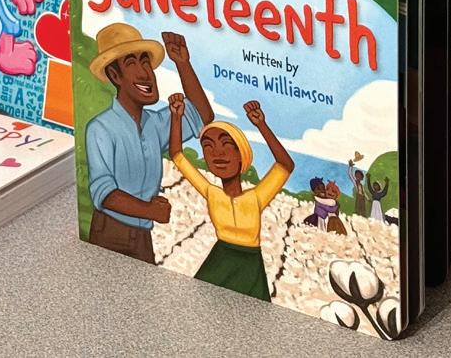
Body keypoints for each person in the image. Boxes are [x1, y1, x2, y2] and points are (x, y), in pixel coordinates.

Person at [83, 25, 211, 263]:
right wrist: (149, 210)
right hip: (110, 233)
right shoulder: (100, 128)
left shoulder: (155, 124)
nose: (145, 74)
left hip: (143, 237)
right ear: (114, 76)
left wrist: (182, 63)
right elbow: (104, 192)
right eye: (132, 64)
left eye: (145, 62)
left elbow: (202, 114)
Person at [168, 95, 294, 300]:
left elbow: (285, 165)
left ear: (241, 154)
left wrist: (261, 125)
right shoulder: (212, 193)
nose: (217, 153)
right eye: (208, 146)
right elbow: (177, 155)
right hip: (219, 262)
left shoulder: (256, 197)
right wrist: (176, 117)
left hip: (250, 267)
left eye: (226, 144)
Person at [347, 152, 369, 218]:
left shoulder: (361, 185)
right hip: (358, 196)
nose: (358, 177)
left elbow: (364, 192)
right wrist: (350, 167)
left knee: (363, 208)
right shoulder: (355, 182)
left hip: (362, 197)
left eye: (359, 176)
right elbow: (350, 174)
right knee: (358, 207)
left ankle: (363, 216)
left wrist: (367, 198)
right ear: (356, 176)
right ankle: (357, 216)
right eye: (357, 176)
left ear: (361, 178)